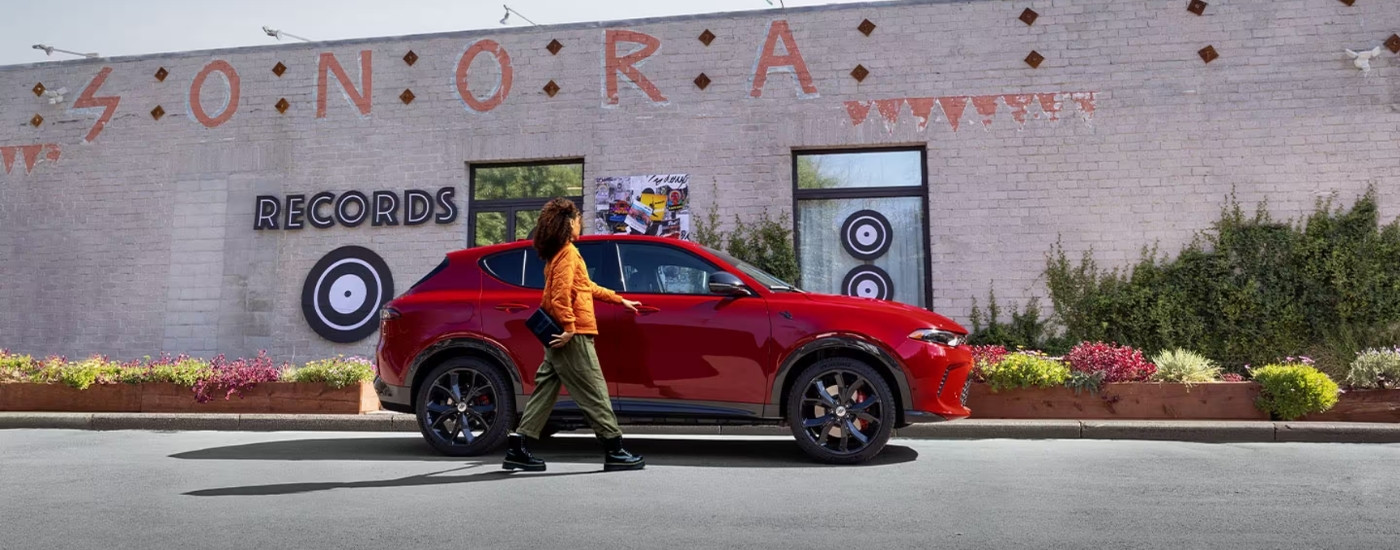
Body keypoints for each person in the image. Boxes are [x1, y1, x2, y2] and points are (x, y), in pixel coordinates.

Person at [503, 197, 646, 472]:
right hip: (573, 336)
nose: (581, 223)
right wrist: (569, 328)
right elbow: (559, 296)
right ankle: (614, 449)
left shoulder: (561, 254)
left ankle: (518, 447)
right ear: (569, 223)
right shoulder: (567, 253)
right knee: (595, 390)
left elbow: (585, 286)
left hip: (561, 336)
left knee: (545, 390)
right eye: (579, 219)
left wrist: (619, 300)